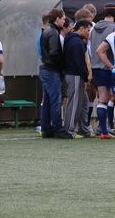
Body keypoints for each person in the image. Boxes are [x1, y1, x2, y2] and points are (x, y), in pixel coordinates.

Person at [39, 8, 72, 138]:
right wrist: (62, 65)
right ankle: (58, 128)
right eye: (63, 18)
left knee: (47, 100)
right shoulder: (53, 32)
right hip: (52, 70)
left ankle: (46, 128)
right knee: (55, 100)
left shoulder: (47, 30)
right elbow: (54, 52)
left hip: (46, 69)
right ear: (57, 18)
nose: (64, 21)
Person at [89, 3, 115, 136]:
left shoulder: (94, 27)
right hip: (109, 66)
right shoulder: (114, 28)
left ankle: (103, 130)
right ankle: (110, 126)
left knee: (102, 98)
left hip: (96, 66)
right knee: (114, 97)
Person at [63, 20, 94, 138]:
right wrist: (86, 77)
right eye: (87, 30)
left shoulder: (72, 39)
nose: (89, 33)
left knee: (84, 102)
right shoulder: (76, 42)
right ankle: (69, 130)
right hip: (75, 75)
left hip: (74, 74)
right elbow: (80, 62)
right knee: (75, 102)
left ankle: (83, 129)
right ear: (81, 28)